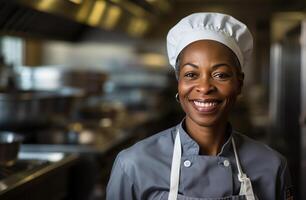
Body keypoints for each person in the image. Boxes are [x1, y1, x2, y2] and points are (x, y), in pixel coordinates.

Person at [106, 12, 293, 200]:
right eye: (191, 75)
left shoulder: (272, 166)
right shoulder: (133, 165)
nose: (204, 88)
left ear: (239, 84)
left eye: (220, 75)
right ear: (178, 83)